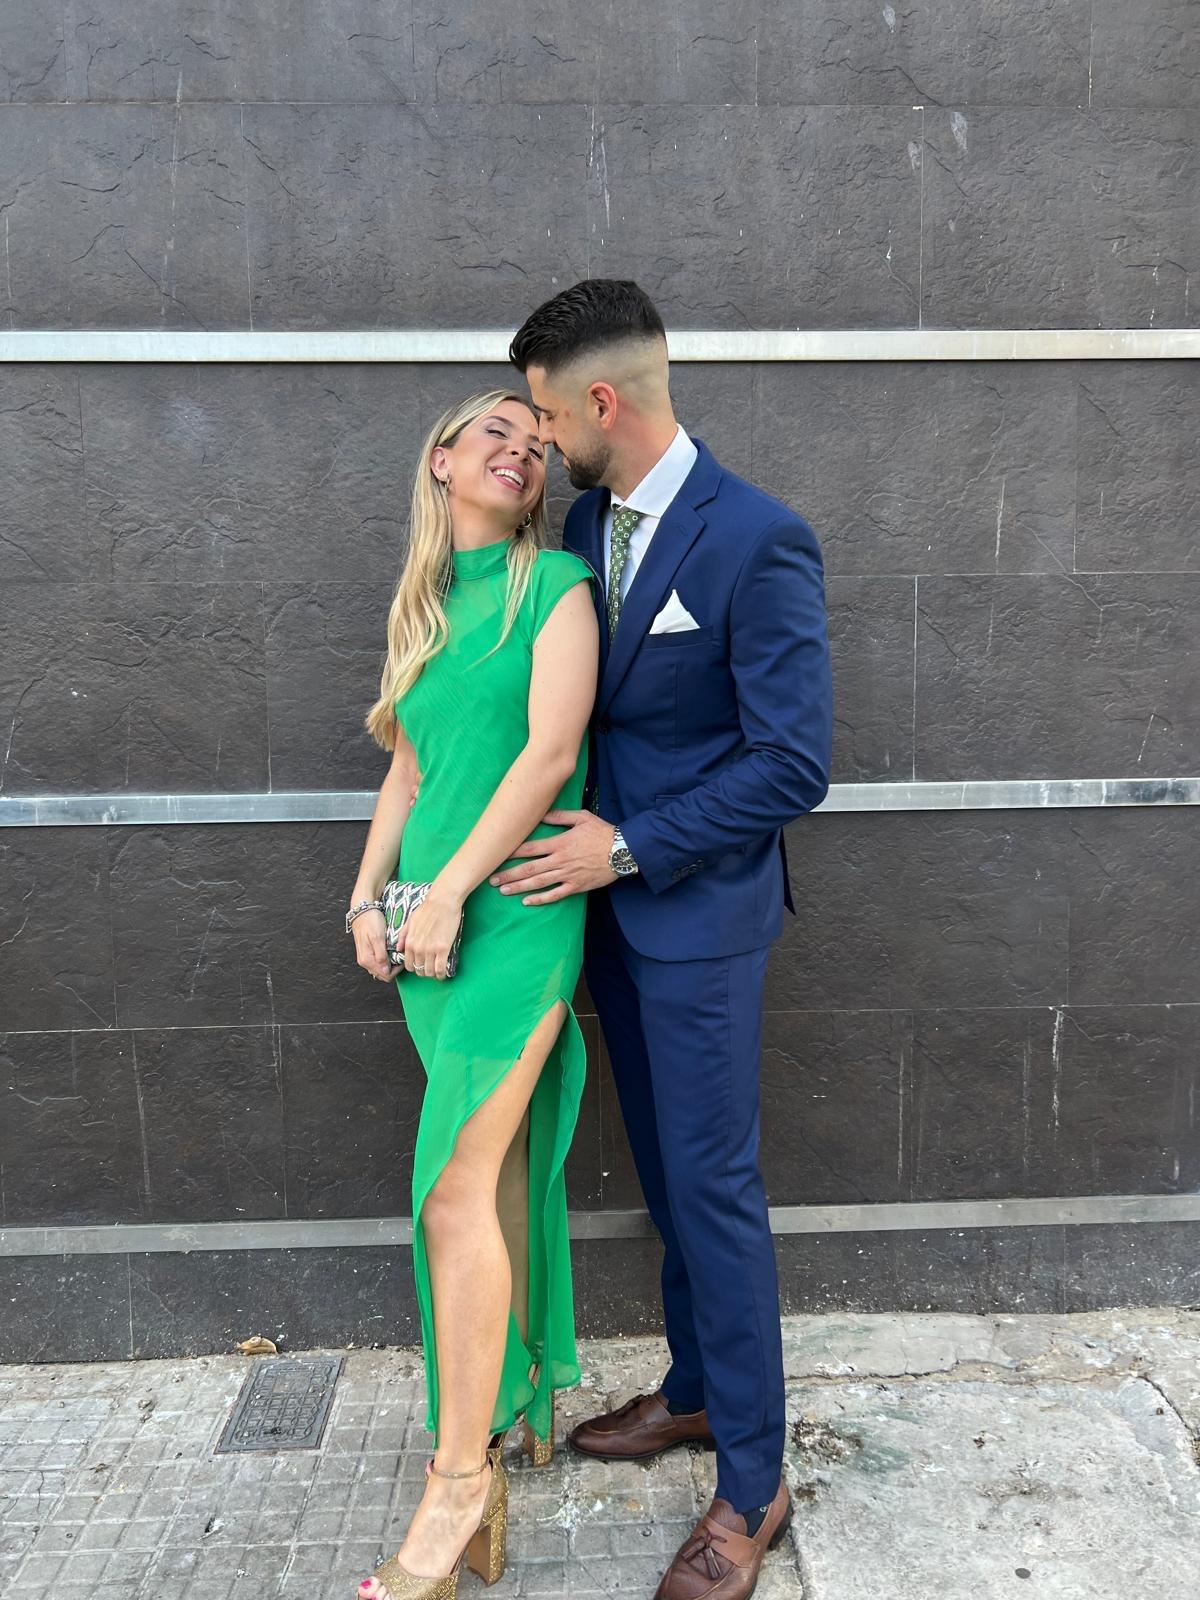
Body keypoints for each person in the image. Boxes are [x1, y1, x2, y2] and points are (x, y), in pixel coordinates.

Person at [499, 281, 833, 1600]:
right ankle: (696, 1391)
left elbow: (792, 763)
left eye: (543, 414)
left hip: (698, 924)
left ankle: (754, 1483)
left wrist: (627, 846)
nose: (537, 440)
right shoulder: (589, 523)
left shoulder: (760, 539)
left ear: (601, 400)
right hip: (611, 933)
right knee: (666, 1176)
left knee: (714, 1188)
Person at [347, 389, 598, 1600]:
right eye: (497, 432)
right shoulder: (427, 608)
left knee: (450, 1189)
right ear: (441, 458)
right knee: (488, 1181)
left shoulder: (559, 589)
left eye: (537, 444)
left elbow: (551, 753)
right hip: (428, 930)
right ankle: (515, 1400)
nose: (522, 450)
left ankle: (457, 1482)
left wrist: (449, 891)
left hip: (516, 919)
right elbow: (408, 769)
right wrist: (367, 897)